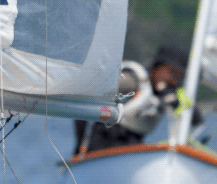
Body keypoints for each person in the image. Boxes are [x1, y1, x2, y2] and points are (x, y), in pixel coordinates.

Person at [73, 44, 204, 155]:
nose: (173, 81)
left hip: (131, 149)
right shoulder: (132, 82)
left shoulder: (168, 95)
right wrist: (79, 145)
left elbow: (196, 122)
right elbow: (87, 98)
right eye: (172, 73)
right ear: (157, 67)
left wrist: (176, 102)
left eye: (179, 77)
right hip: (101, 146)